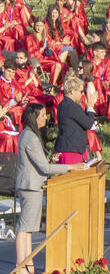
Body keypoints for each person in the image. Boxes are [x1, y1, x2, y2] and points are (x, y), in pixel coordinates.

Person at [16, 103, 87, 274]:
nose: (45, 118)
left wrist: (50, 159)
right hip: (30, 187)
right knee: (24, 228)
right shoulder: (31, 137)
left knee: (29, 229)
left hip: (33, 185)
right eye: (42, 115)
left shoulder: (30, 135)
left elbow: (39, 163)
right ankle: (21, 266)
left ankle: (28, 264)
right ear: (34, 117)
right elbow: (44, 169)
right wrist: (71, 167)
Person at [54, 76, 98, 164]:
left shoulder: (64, 104)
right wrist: (90, 107)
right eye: (81, 91)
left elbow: (80, 120)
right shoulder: (72, 106)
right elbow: (88, 123)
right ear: (72, 92)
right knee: (74, 177)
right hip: (71, 150)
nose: (82, 94)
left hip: (68, 148)